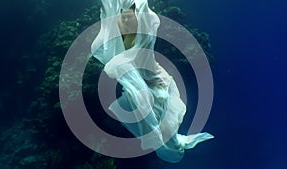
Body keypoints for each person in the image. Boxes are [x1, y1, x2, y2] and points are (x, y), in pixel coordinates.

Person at [91, 0, 213, 163]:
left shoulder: (144, 35)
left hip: (154, 81)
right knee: (154, 121)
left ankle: (175, 142)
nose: (126, 20)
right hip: (143, 84)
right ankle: (174, 142)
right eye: (123, 17)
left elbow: (146, 20)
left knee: (159, 123)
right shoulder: (117, 36)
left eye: (130, 17)